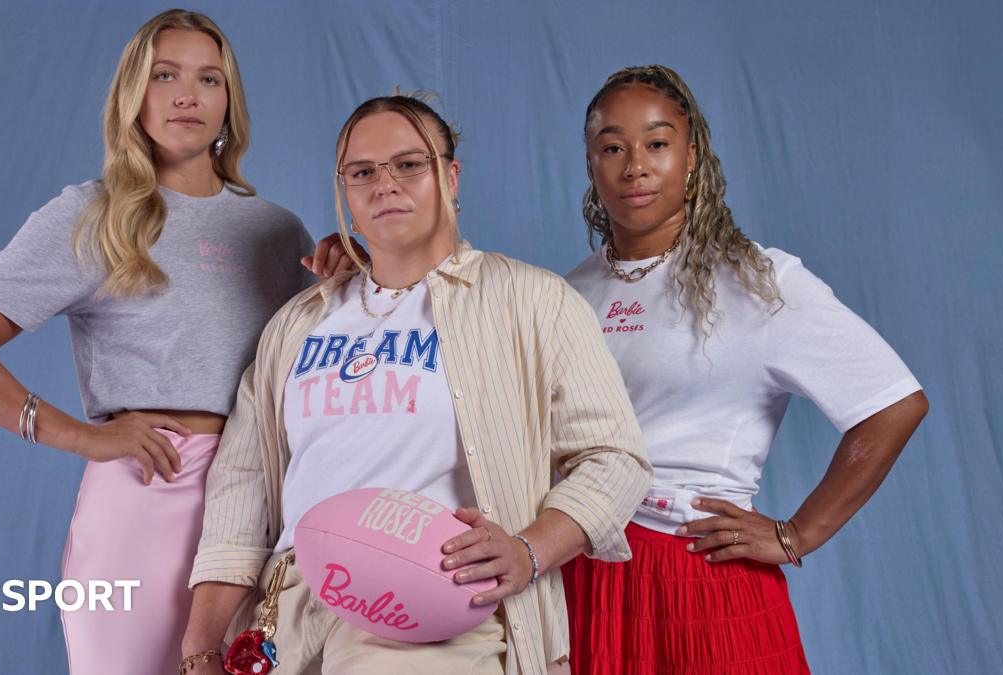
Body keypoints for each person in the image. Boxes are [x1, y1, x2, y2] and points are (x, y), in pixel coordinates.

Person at [0, 10, 353, 674]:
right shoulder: (94, 216)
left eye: (209, 79)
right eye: (164, 76)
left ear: (229, 103)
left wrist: (352, 278)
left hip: (262, 498)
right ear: (133, 96)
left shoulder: (275, 229)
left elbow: (318, 376)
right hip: (150, 491)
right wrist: (77, 435)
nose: (187, 96)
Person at [177, 94, 653, 675]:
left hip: (434, 600)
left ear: (450, 178)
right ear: (344, 192)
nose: (385, 184)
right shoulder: (297, 323)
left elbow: (615, 459)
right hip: (289, 610)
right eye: (362, 172)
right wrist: (200, 647)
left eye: (408, 164)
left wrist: (528, 551)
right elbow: (241, 488)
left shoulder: (532, 301)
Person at [560, 65, 930, 674]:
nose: (635, 167)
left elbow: (893, 404)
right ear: (591, 163)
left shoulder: (758, 281)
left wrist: (797, 534)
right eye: (612, 147)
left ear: (692, 156)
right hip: (584, 572)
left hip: (698, 573)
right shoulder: (570, 291)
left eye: (657, 143)